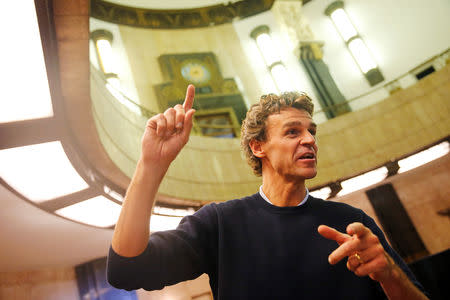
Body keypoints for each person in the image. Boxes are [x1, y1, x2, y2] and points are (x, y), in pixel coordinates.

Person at [107, 85, 429, 299]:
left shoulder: (352, 224)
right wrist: (150, 165)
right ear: (258, 146)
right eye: (293, 132)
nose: (310, 140)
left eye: (311, 132)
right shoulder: (220, 223)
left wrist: (390, 275)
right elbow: (127, 269)